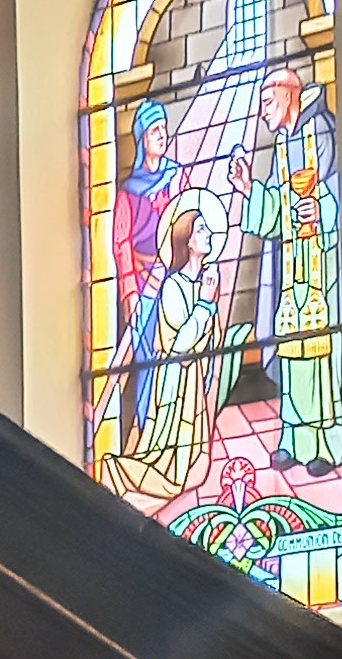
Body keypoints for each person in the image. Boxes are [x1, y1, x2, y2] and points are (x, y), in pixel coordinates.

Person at [235, 69, 342, 472]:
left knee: (323, 357)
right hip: (292, 269)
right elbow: (278, 212)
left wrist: (324, 207)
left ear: (289, 95)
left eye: (267, 102)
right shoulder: (283, 145)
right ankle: (295, 439)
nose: (262, 112)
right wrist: (250, 190)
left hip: (324, 267)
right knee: (293, 352)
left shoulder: (325, 130)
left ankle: (328, 444)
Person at [102, 201, 242, 513]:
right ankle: (120, 475)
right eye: (201, 230)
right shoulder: (173, 287)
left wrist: (210, 304)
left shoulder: (203, 283)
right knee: (170, 467)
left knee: (192, 466)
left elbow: (211, 340)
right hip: (174, 382)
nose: (209, 234)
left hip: (193, 382)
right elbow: (179, 345)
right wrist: (205, 305)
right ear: (186, 242)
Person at [107, 96, 174, 446]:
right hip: (145, 284)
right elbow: (121, 244)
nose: (162, 135)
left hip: (174, 279)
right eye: (154, 130)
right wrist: (130, 293)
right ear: (142, 139)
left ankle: (174, 426)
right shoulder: (128, 193)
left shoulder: (177, 177)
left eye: (164, 128)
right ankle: (148, 429)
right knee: (147, 354)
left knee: (176, 351)